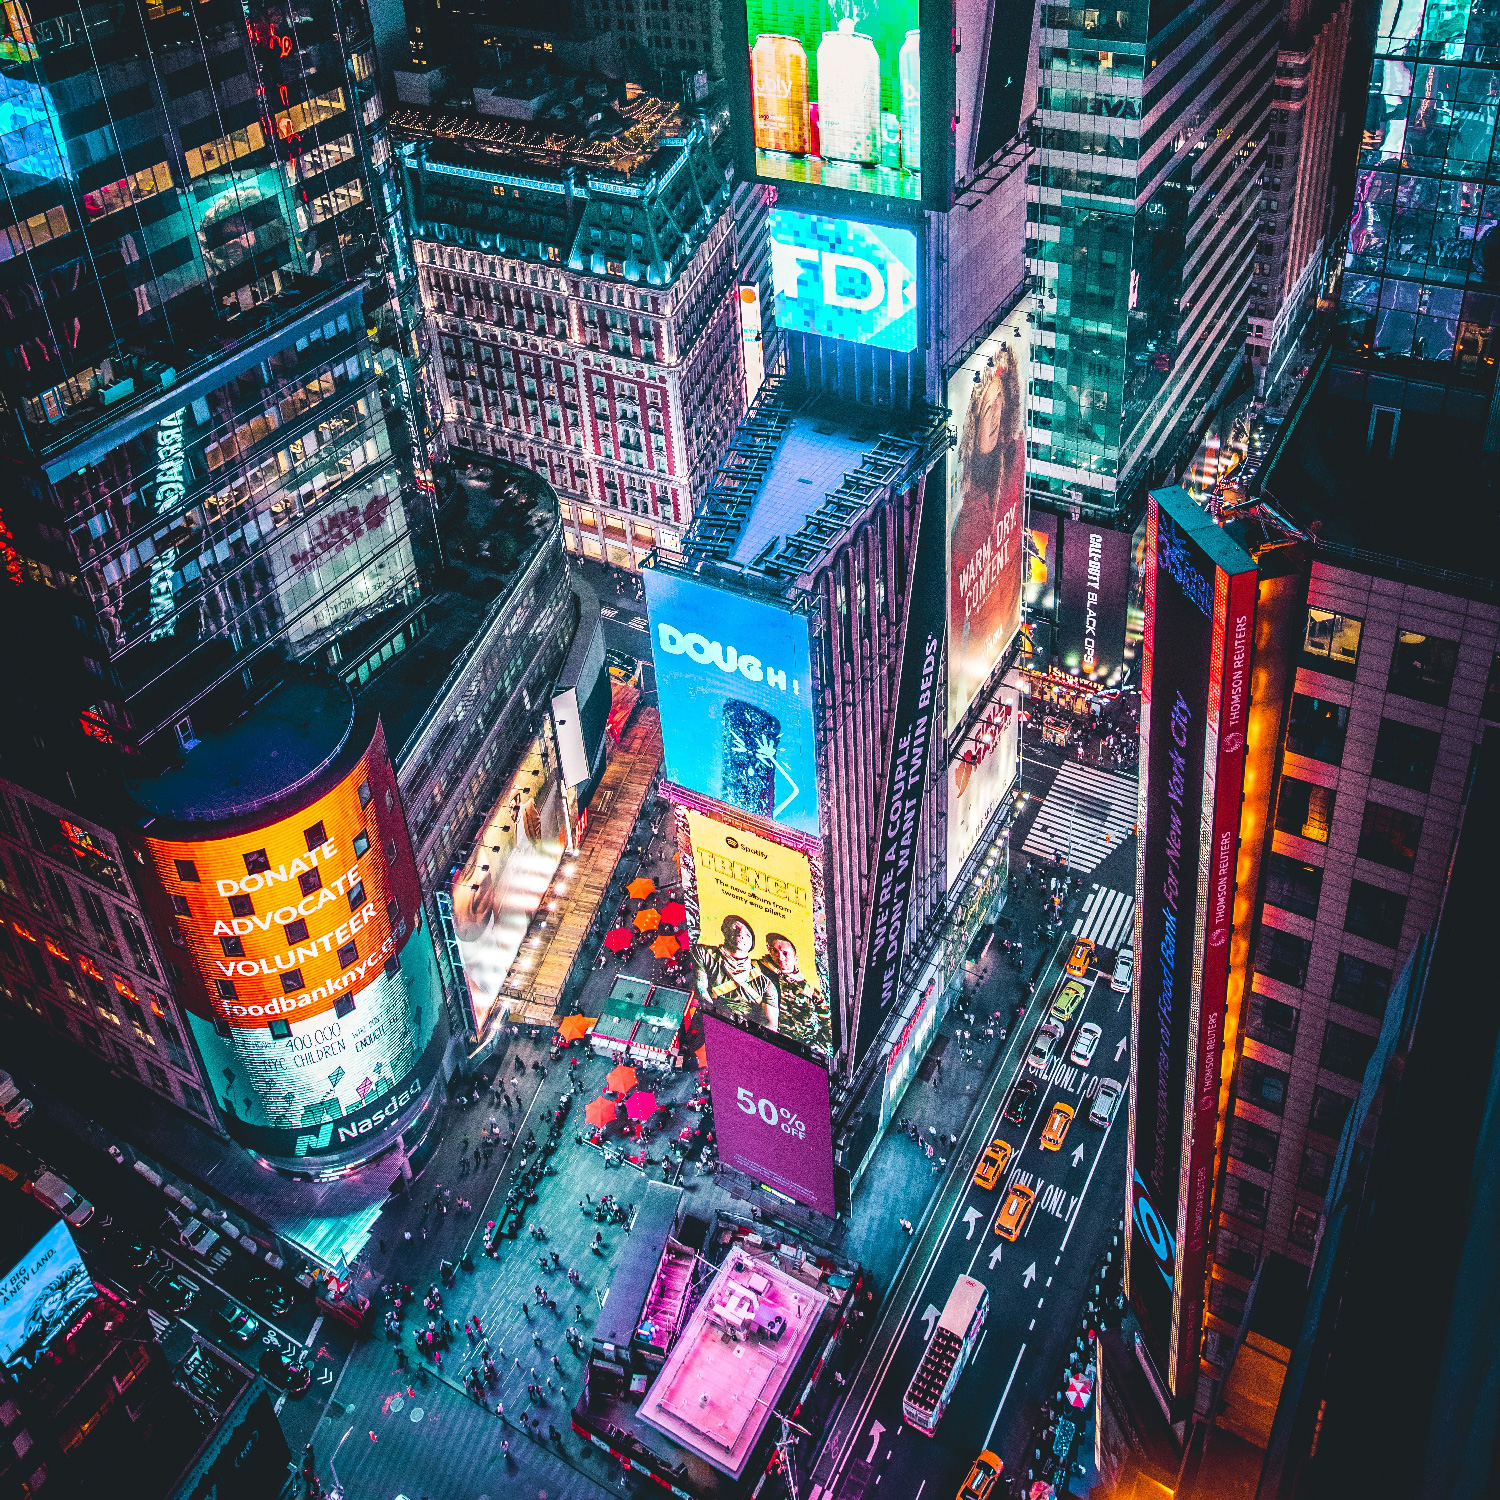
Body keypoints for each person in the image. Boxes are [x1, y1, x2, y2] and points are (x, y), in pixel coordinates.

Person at [690, 914, 777, 1025]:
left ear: (751, 944)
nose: (740, 934)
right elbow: (701, 992)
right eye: (735, 927)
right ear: (724, 930)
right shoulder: (703, 953)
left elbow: (770, 1026)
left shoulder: (765, 984)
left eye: (747, 934)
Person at [756, 932, 831, 1051]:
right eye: (775, 951)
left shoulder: (811, 992)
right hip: (765, 1040)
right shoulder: (758, 970)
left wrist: (815, 1048)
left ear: (796, 959)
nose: (779, 957)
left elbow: (827, 1026)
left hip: (800, 1048)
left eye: (785, 953)